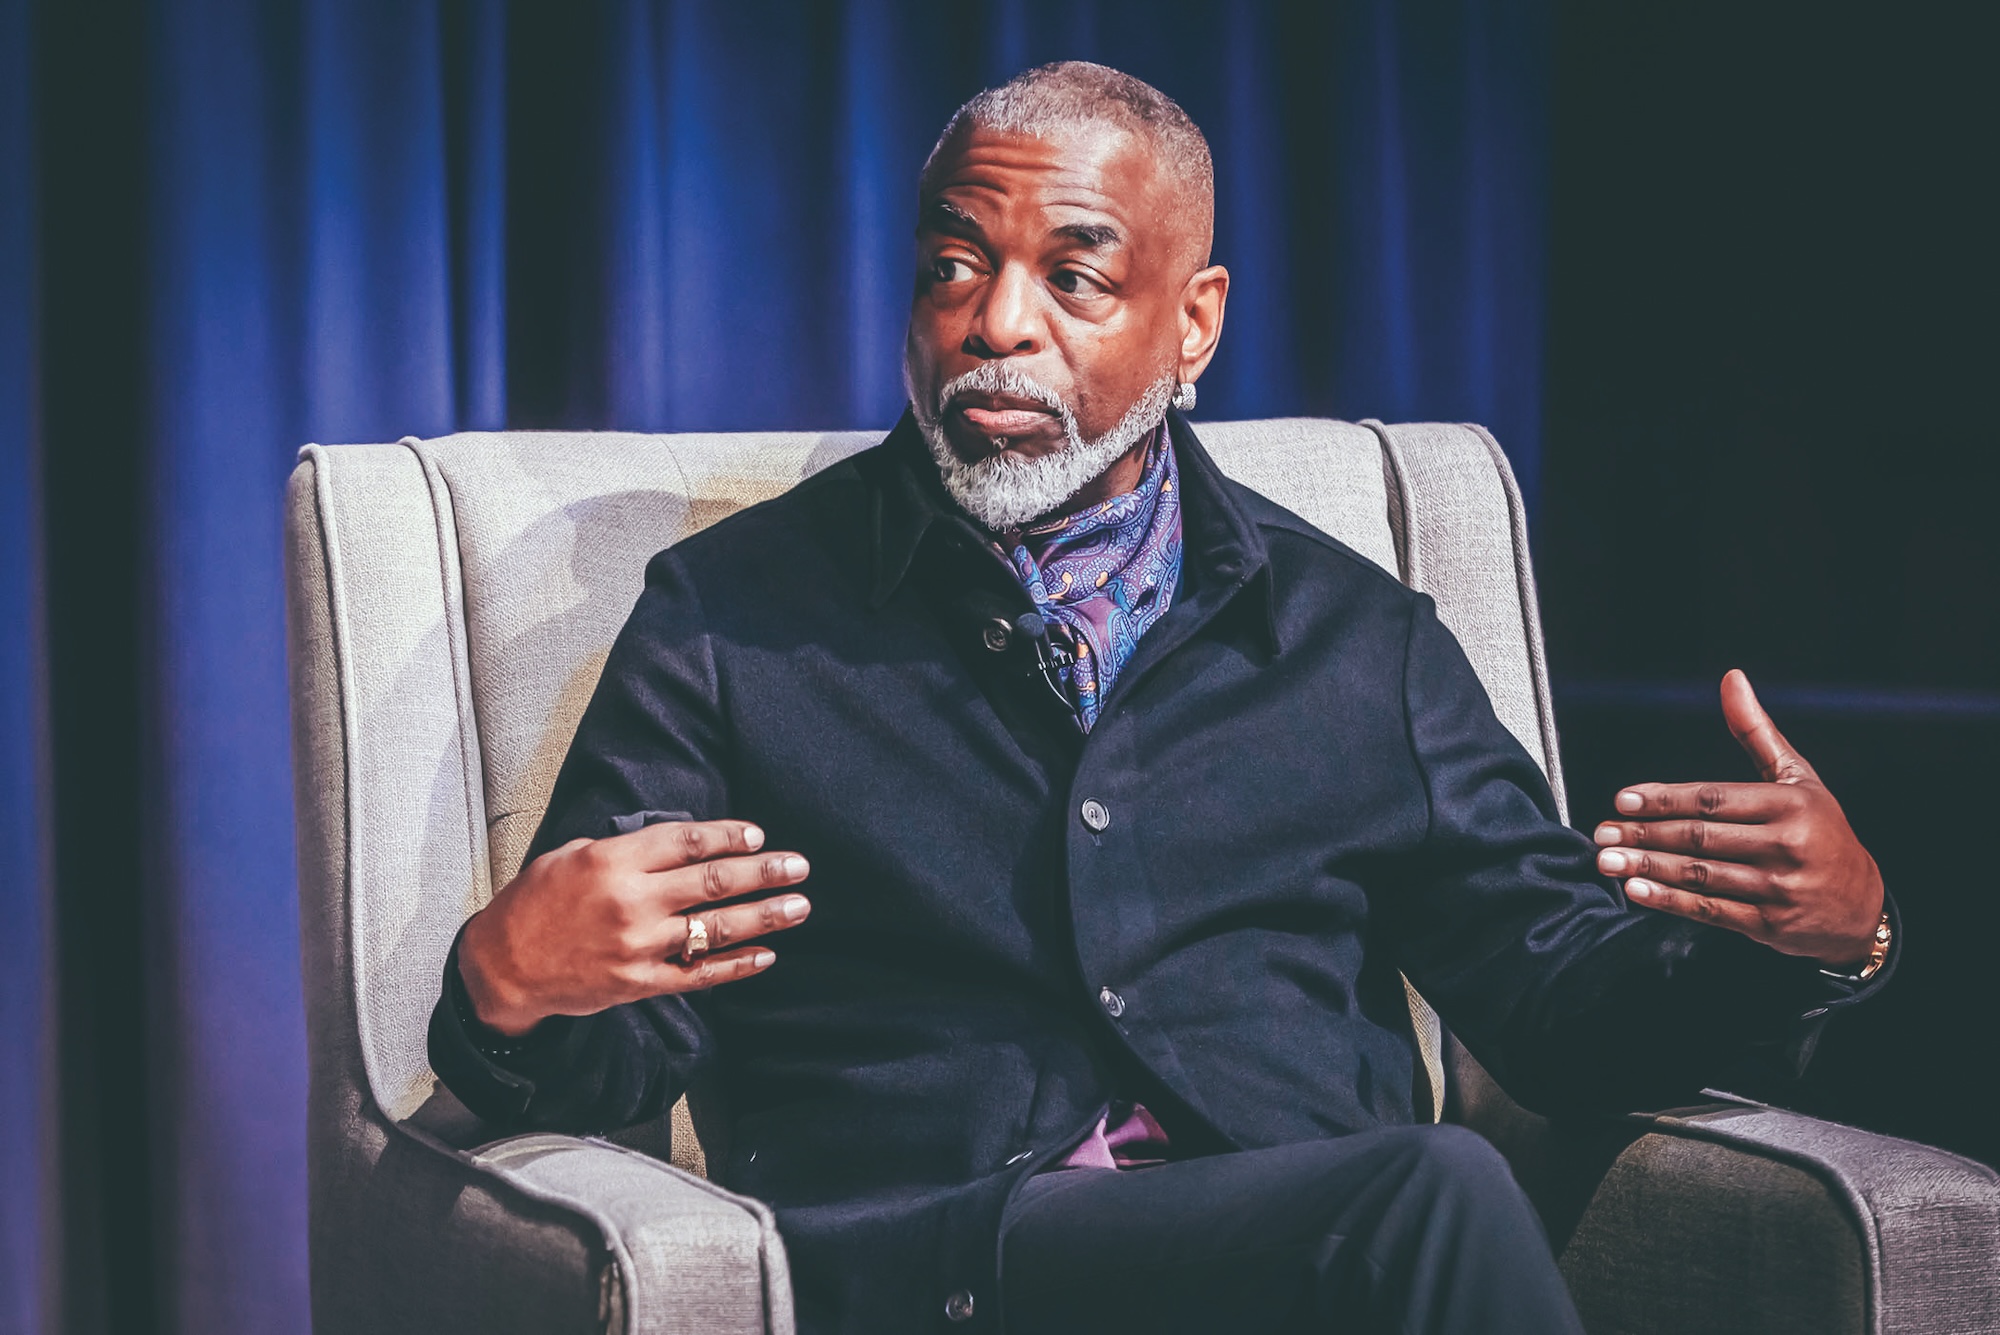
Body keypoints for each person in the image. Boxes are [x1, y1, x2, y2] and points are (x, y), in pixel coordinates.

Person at [428, 62, 1894, 1335]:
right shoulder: (734, 616)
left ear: (1192, 326)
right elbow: (617, 1040)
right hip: (944, 1259)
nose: (995, 322)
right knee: (1426, 1201)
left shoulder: (1352, 639)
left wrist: (1814, 945)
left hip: (1302, 1245)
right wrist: (512, 982)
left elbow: (1559, 1005)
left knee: (1407, 1205)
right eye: (952, 265)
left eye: (1072, 276)